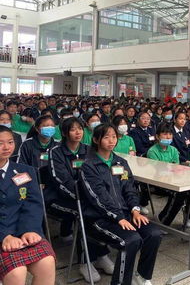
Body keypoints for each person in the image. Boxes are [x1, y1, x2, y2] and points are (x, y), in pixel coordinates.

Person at [79, 123, 162, 285]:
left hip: (125, 213)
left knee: (154, 234)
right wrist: (118, 217)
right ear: (96, 139)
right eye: (106, 137)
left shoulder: (120, 162)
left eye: (114, 137)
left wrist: (135, 210)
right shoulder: (88, 165)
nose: (111, 140)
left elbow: (130, 189)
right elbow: (98, 197)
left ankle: (143, 276)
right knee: (130, 240)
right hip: (99, 218)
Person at [45, 117, 114, 282]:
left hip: (85, 196)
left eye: (80, 129)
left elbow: (97, 175)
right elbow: (61, 182)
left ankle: (101, 254)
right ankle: (85, 261)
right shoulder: (56, 152)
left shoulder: (88, 149)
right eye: (73, 129)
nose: (78, 132)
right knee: (85, 213)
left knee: (100, 209)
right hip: (58, 198)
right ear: (64, 133)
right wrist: (85, 198)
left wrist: (93, 197)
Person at [0, 126, 56, 285]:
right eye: (0, 143)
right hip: (3, 234)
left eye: (10, 142)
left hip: (23, 230)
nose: (6, 147)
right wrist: (4, 235)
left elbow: (33, 204)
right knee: (17, 272)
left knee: (47, 262)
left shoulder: (25, 171)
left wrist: (29, 229)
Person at [147, 123, 188, 226]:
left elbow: (176, 167)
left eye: (170, 134)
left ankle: (188, 217)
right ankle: (164, 221)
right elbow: (157, 170)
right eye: (165, 134)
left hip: (172, 179)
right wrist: (171, 169)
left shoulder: (173, 150)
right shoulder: (152, 151)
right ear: (157, 136)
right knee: (178, 194)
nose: (168, 137)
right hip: (158, 181)